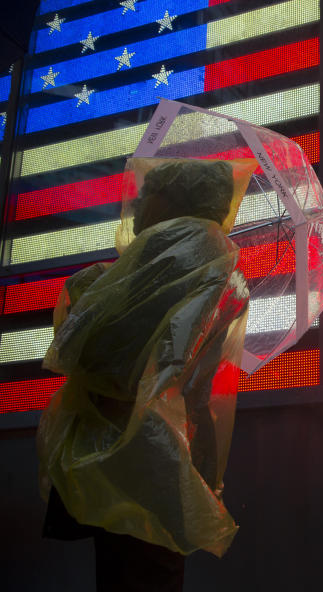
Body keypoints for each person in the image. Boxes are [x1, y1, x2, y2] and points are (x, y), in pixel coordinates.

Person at [37, 158, 252, 591]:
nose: (135, 207)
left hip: (136, 449)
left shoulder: (181, 254)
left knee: (132, 573)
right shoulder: (211, 262)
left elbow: (95, 354)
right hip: (160, 454)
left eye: (148, 196)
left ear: (176, 201)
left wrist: (90, 291)